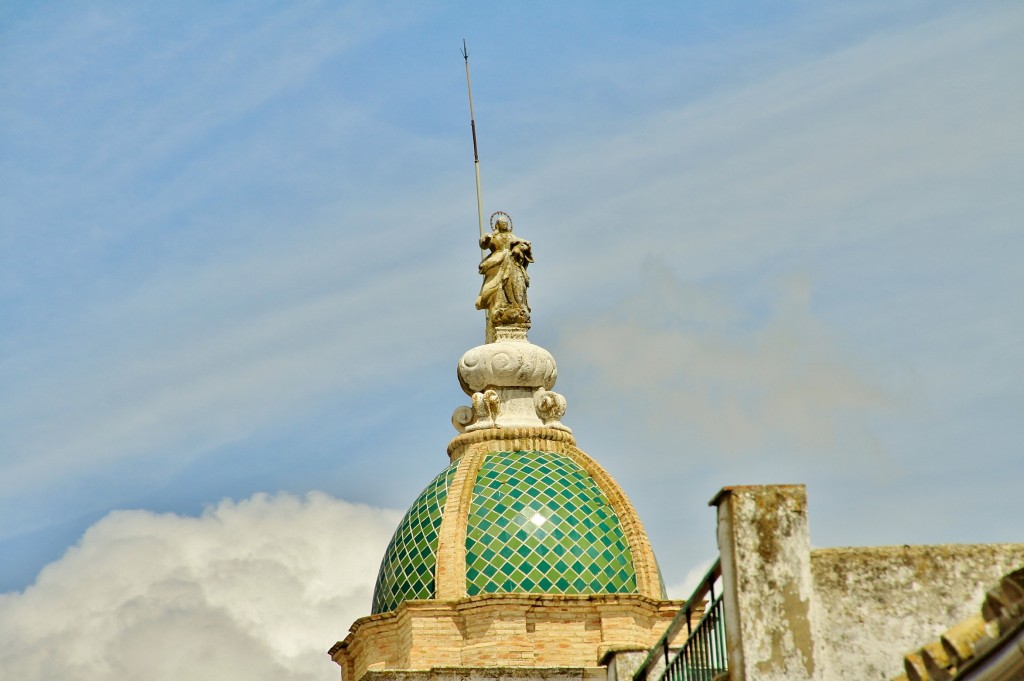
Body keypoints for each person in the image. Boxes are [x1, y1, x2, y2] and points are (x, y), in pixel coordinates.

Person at [475, 212, 533, 324]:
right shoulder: (495, 237)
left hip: (512, 263)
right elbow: (484, 245)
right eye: (502, 223)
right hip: (498, 261)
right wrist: (486, 238)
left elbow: (525, 244)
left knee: (518, 283)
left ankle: (518, 305)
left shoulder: (512, 237)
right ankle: (502, 306)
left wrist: (522, 247)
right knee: (496, 285)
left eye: (506, 223)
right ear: (497, 225)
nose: (504, 224)